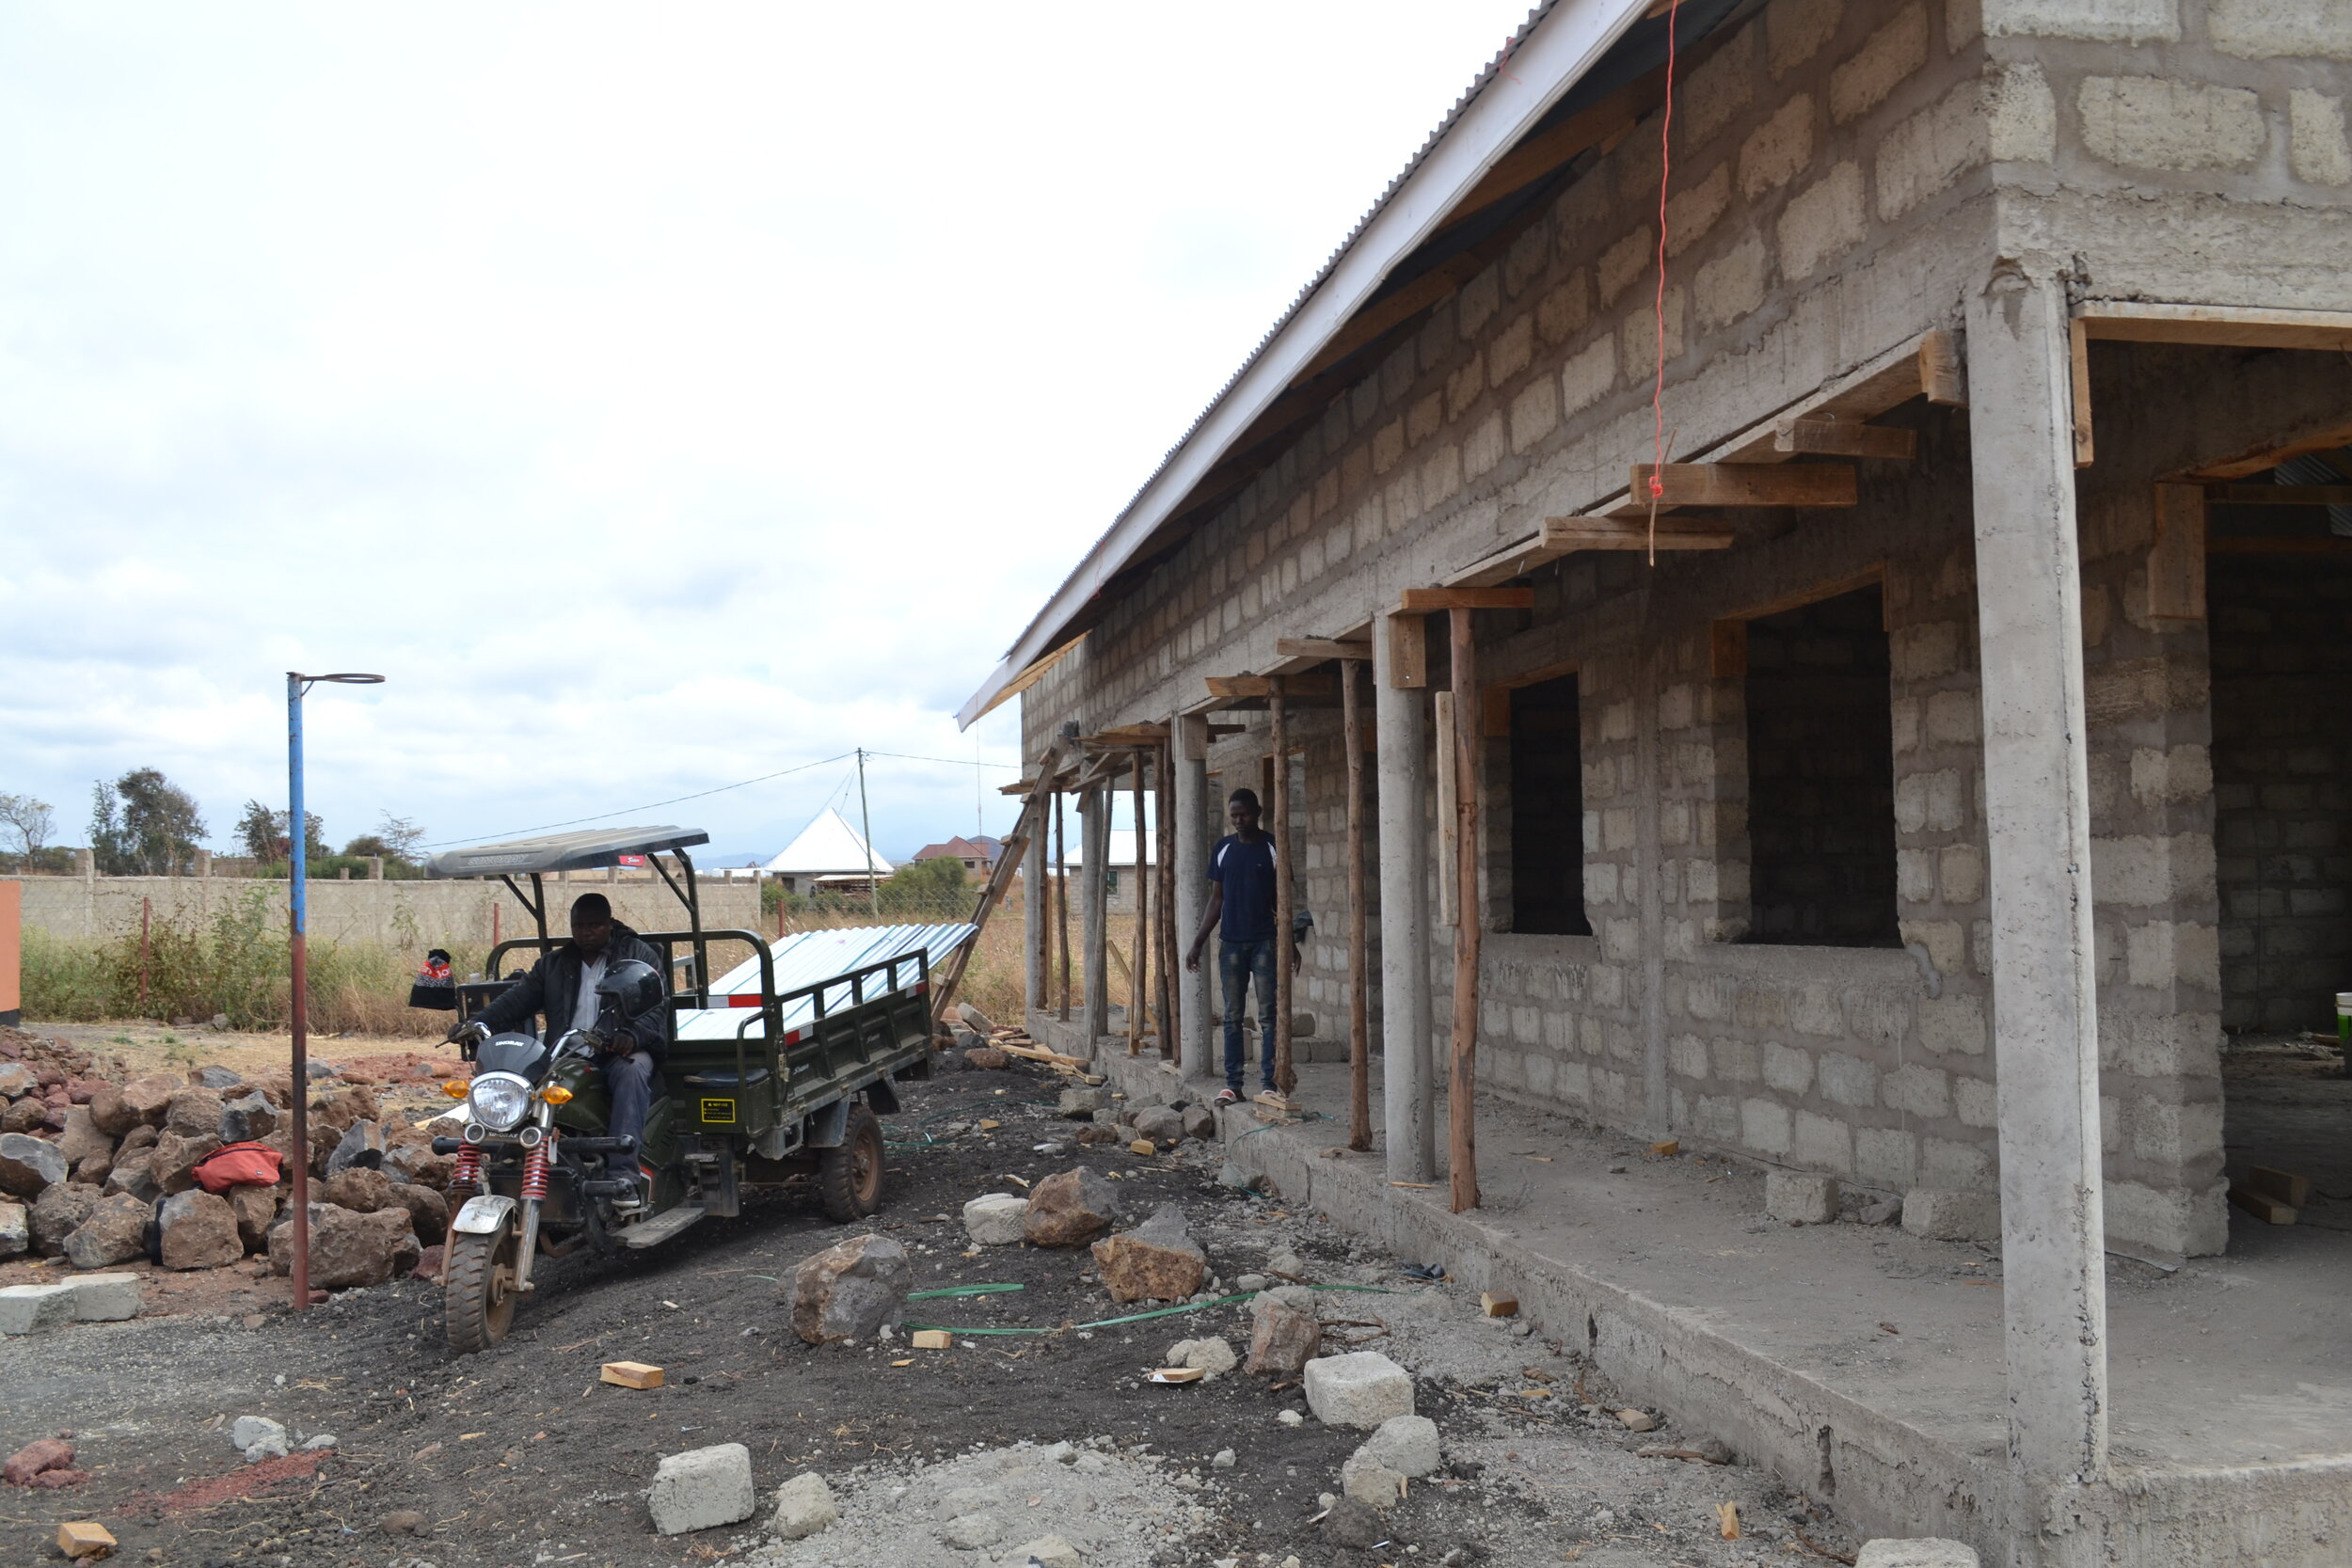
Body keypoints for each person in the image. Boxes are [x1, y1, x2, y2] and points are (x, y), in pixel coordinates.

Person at [453, 893, 666, 1196]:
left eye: (594, 925)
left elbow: (657, 1007)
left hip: (619, 1051)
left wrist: (632, 1036)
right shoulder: (554, 963)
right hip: (564, 1053)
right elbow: (517, 999)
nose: (586, 932)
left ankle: (623, 1177)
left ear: (610, 923)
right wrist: (478, 1023)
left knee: (632, 1074)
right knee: (518, 1083)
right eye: (579, 925)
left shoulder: (638, 956)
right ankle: (511, 1164)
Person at [1184, 787, 1304, 1106]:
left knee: (1268, 1016)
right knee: (1232, 1016)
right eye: (1234, 815)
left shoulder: (1273, 847)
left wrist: (1289, 943)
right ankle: (1233, 1085)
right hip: (1231, 945)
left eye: (1244, 814)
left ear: (1258, 812)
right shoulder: (1223, 849)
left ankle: (1269, 1084)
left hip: (1266, 942)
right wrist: (1198, 942)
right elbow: (1216, 899)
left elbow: (1283, 901)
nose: (1238, 820)